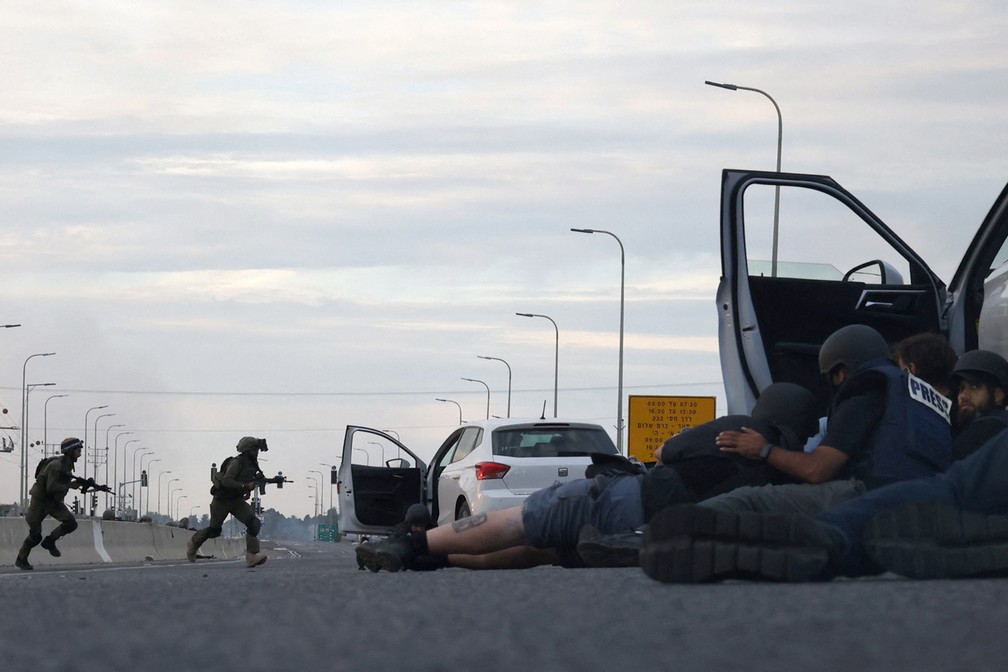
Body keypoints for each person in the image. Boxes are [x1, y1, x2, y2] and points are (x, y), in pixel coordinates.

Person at [353, 382, 821, 573]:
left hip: (629, 497)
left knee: (523, 519)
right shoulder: (789, 474)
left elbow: (668, 452)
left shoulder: (737, 430)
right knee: (541, 552)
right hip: (662, 533)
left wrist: (671, 444)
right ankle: (445, 560)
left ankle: (416, 547)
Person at [705, 324, 953, 517]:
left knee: (746, 500)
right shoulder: (924, 399)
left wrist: (763, 450)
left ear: (842, 371)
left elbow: (817, 470)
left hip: (877, 496)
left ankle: (673, 527)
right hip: (929, 503)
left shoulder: (869, 387)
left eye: (833, 377)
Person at [15, 437, 106, 571]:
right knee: (35, 536)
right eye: (77, 451)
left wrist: (85, 485)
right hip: (40, 502)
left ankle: (50, 541)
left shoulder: (67, 464)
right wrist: (70, 486)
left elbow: (64, 483)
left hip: (53, 502)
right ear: (70, 451)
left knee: (71, 523)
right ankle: (21, 559)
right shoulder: (56, 465)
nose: (80, 454)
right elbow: (51, 488)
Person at [187, 436, 269, 568]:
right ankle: (193, 543)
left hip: (236, 501)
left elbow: (244, 480)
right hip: (222, 500)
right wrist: (244, 487)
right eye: (255, 449)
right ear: (248, 450)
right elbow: (226, 481)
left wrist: (247, 490)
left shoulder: (252, 465)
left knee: (253, 523)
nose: (257, 452)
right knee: (214, 531)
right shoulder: (237, 462)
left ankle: (251, 556)